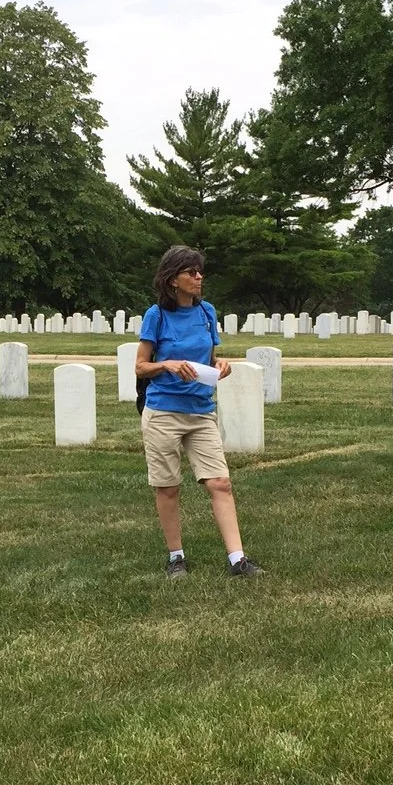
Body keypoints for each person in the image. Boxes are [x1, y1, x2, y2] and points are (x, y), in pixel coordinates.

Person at [135, 245, 264, 578]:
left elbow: (208, 359)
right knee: (168, 486)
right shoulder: (157, 315)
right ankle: (176, 557)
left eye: (200, 271)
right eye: (191, 272)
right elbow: (140, 366)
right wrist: (166, 364)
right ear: (172, 279)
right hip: (164, 411)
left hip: (201, 410)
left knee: (220, 482)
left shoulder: (207, 312)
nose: (198, 277)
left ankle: (238, 559)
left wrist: (221, 365)